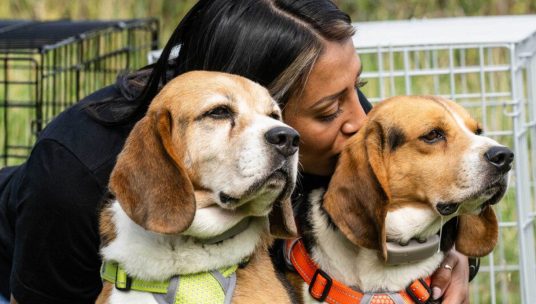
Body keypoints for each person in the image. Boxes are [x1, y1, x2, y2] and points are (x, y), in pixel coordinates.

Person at [0, 0, 473, 303]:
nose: (359, 120)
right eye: (329, 109)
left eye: (358, 86)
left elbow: (420, 192)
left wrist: (456, 259)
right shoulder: (74, 168)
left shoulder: (341, 124)